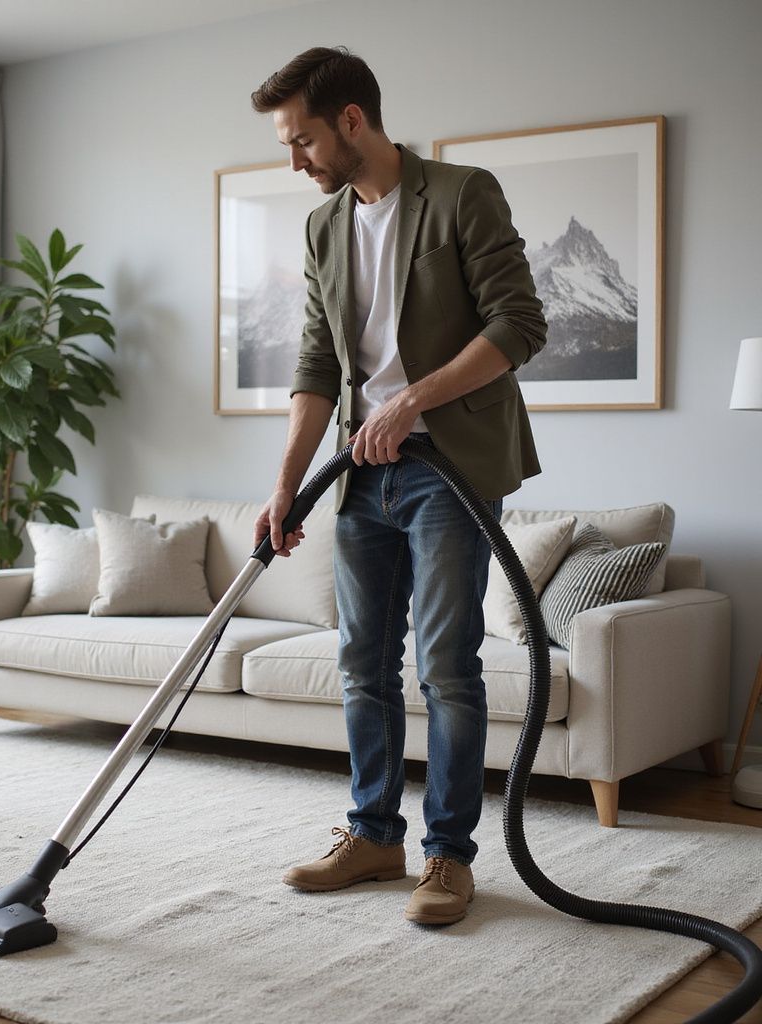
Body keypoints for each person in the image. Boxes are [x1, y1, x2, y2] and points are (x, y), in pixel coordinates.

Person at [250, 46, 547, 925]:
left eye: (302, 140)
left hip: (447, 472)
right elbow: (314, 364)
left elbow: (519, 322)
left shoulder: (462, 194)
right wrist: (285, 490)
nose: (294, 161)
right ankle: (374, 833)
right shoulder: (322, 228)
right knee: (362, 666)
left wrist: (411, 400)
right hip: (359, 482)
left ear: (351, 121)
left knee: (447, 667)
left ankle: (448, 857)